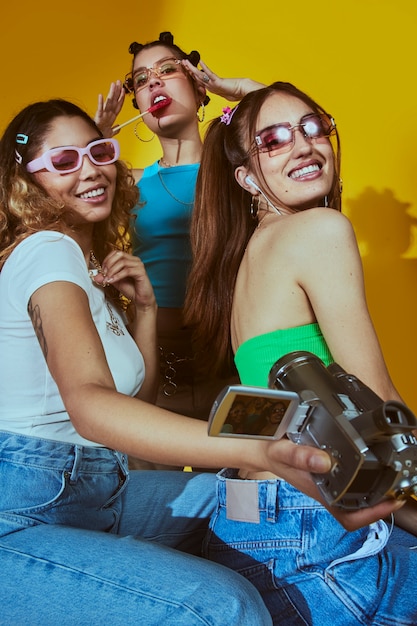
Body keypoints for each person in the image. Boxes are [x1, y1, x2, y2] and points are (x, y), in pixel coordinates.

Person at [0, 97, 392, 625]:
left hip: (97, 488)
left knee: (241, 501)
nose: (91, 169)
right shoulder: (47, 250)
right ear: (26, 183)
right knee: (220, 606)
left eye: (98, 151)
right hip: (24, 508)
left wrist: (144, 310)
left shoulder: (88, 272)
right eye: (65, 161)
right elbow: (90, 409)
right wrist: (261, 449)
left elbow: (129, 406)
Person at [184, 82, 417, 625]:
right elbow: (380, 407)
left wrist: (252, 104)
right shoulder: (320, 231)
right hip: (312, 535)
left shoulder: (247, 261)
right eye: (275, 139)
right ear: (245, 177)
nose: (305, 145)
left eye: (315, 127)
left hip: (249, 526)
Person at [95, 33, 265, 446]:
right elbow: (59, 197)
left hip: (231, 363)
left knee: (248, 489)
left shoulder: (239, 172)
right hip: (155, 363)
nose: (153, 83)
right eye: (140, 80)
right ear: (137, 105)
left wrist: (238, 90)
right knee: (153, 498)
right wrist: (96, 142)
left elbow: (293, 119)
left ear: (198, 86)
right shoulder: (129, 184)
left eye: (167, 71)